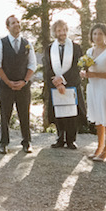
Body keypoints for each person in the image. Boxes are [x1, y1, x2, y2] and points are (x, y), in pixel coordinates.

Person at [0, 14, 37, 154]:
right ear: (8, 27)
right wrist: (9, 83)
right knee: (5, 115)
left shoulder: (27, 43)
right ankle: (3, 143)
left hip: (23, 86)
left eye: (18, 22)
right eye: (13, 23)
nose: (16, 24)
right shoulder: (1, 43)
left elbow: (32, 65)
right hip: (6, 86)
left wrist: (24, 81)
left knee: (24, 114)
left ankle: (26, 142)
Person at [80, 23, 106, 162]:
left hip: (104, 88)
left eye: (100, 34)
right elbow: (88, 70)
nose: (97, 37)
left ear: (105, 35)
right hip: (93, 88)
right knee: (98, 119)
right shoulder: (89, 52)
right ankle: (99, 147)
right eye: (95, 34)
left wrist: (97, 75)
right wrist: (84, 74)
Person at [44, 20, 85, 149]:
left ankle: (71, 140)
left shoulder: (76, 47)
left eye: (63, 30)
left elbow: (76, 67)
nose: (61, 33)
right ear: (54, 32)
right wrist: (56, 82)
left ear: (67, 30)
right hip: (55, 85)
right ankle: (60, 138)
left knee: (72, 113)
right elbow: (47, 67)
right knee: (58, 112)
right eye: (58, 30)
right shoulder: (50, 48)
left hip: (71, 83)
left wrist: (62, 80)